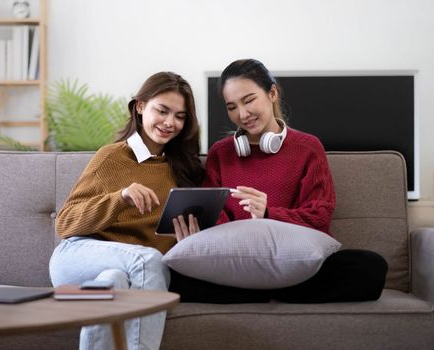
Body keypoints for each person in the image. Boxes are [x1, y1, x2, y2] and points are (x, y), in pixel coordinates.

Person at [170, 58, 388, 304]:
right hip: (237, 265)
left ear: (272, 93)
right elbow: (212, 214)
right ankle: (274, 292)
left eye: (249, 100)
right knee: (171, 275)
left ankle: (255, 293)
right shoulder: (221, 152)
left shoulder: (308, 147)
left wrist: (268, 214)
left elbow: (319, 215)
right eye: (232, 107)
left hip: (294, 264)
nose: (242, 114)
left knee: (370, 267)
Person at [49, 71, 204, 350]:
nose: (170, 122)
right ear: (140, 106)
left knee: (113, 282)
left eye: (180, 116)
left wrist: (188, 243)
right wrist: (120, 198)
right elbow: (65, 224)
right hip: (79, 254)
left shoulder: (183, 169)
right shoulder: (112, 157)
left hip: (129, 272)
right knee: (147, 261)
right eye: (162, 110)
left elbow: (166, 243)